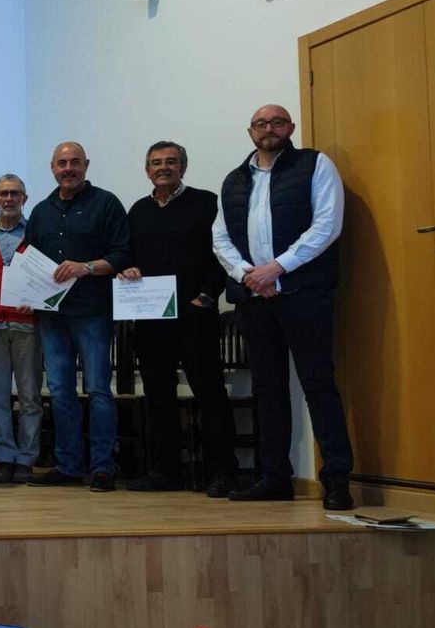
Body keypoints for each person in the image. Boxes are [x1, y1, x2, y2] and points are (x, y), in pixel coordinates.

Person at [213, 105, 353, 511]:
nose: (268, 129)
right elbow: (220, 237)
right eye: (261, 124)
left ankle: (337, 479)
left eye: (277, 122)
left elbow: (327, 225)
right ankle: (274, 476)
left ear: (290, 128)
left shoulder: (315, 165)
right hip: (254, 298)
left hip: (304, 293)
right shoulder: (234, 180)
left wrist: (278, 268)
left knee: (318, 385)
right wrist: (248, 275)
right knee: (268, 389)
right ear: (250, 131)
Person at [116, 142, 238, 495]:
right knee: (158, 397)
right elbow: (127, 254)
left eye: (171, 162)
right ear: (147, 170)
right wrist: (126, 269)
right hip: (151, 318)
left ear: (184, 166)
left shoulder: (205, 203)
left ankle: (222, 472)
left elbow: (223, 252)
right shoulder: (138, 210)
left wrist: (207, 295)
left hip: (194, 315)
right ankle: (164, 471)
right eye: (156, 163)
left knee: (209, 394)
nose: (163, 168)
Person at [25, 142, 131, 493]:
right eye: (61, 163)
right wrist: (25, 292)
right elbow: (31, 261)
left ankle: (102, 466)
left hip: (93, 311)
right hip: (52, 314)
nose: (68, 168)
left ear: (86, 165)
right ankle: (68, 465)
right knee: (59, 391)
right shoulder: (41, 211)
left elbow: (121, 254)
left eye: (74, 162)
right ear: (52, 168)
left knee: (99, 389)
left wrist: (86, 267)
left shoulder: (106, 203)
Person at [0, 174, 43, 484]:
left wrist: (40, 302)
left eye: (15, 193)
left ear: (24, 199)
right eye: (3, 193)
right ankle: (3, 457)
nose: (9, 198)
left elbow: (48, 277)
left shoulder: (38, 235)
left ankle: (26, 459)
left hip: (28, 325)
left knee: (29, 397)